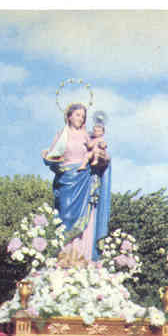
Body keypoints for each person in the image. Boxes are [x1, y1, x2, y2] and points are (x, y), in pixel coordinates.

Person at [43, 103, 112, 262]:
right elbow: (52, 156)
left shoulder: (87, 136)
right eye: (77, 115)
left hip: (83, 179)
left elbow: (100, 152)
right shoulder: (61, 134)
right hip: (66, 180)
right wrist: (50, 159)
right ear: (69, 116)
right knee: (64, 215)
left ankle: (81, 254)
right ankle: (63, 254)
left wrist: (103, 156)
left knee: (85, 218)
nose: (80, 119)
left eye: (83, 116)